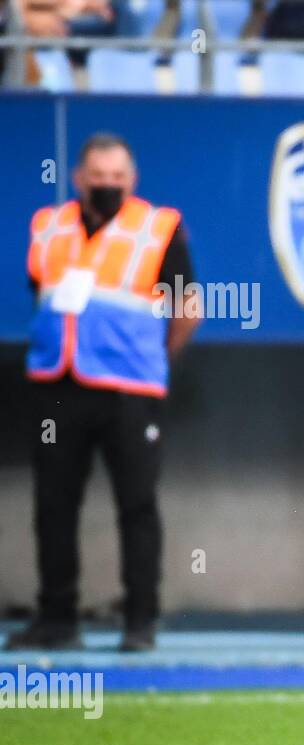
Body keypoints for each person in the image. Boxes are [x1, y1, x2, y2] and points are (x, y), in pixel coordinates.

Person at [6, 133, 201, 653]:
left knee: (137, 505)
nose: (107, 185)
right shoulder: (48, 228)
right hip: (58, 383)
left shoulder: (157, 229)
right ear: (78, 178)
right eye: (98, 176)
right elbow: (41, 296)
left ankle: (140, 621)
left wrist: (157, 360)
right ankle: (57, 619)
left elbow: (188, 308)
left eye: (117, 178)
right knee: (53, 505)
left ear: (131, 181)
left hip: (129, 388)